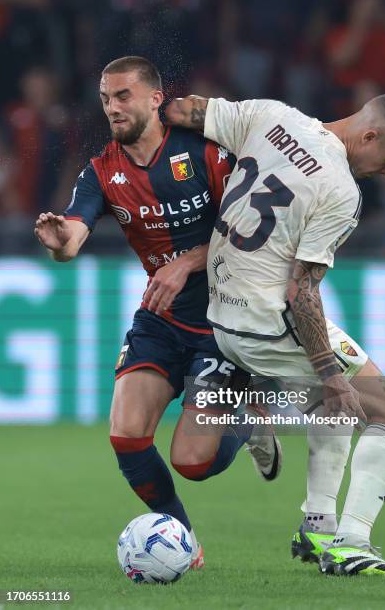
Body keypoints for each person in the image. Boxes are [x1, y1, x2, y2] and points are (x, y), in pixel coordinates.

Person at [34, 56, 282, 572]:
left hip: (224, 324)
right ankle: (182, 541)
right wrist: (60, 243)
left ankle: (253, 417)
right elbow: (73, 236)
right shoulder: (102, 171)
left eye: (123, 95)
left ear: (154, 97)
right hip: (161, 319)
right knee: (126, 435)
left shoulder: (204, 151)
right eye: (105, 99)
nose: (112, 107)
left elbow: (253, 231)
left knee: (192, 463)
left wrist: (188, 262)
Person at [165, 92, 385, 577]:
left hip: (221, 312)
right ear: (370, 136)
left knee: (338, 405)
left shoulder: (273, 116)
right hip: (265, 323)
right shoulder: (341, 192)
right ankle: (351, 544)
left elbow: (181, 112)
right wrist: (329, 372)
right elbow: (301, 293)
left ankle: (318, 525)